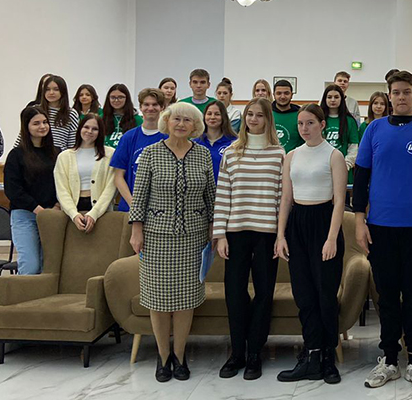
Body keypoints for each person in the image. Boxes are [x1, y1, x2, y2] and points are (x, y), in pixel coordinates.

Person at [352, 70, 412, 392]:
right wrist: (359, 220)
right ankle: (390, 359)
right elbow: (361, 178)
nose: (401, 97)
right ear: (389, 96)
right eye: (396, 92)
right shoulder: (374, 129)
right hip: (380, 226)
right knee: (388, 296)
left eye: (407, 91)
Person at [129, 102, 216, 383]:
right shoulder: (151, 153)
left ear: (195, 126)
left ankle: (179, 355)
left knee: (186, 299)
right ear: (166, 121)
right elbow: (139, 195)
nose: (181, 124)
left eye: (187, 120)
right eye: (176, 119)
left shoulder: (203, 154)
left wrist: (214, 230)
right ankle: (163, 355)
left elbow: (211, 196)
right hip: (157, 236)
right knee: (158, 299)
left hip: (193, 237)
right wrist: (136, 231)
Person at [213, 98, 285, 381]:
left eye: (259, 115)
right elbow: (223, 195)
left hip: (267, 234)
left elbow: (282, 198)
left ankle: (255, 352)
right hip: (236, 232)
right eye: (249, 115)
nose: (253, 119)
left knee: (264, 294)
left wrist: (281, 235)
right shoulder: (231, 153)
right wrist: (220, 234)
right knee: (235, 294)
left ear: (268, 120)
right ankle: (237, 353)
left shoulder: (279, 154)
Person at [276, 104, 347, 384]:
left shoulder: (334, 155)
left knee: (325, 294)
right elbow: (286, 199)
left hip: (324, 223)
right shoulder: (292, 155)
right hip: (298, 225)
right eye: (300, 124)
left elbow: (339, 201)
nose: (304, 128)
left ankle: (328, 357)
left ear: (322, 125)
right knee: (304, 295)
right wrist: (281, 235)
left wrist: (331, 238)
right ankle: (311, 355)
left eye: (310, 123)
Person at [3, 107, 59, 275]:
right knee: (30, 264)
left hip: (52, 214)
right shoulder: (16, 155)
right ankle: (24, 293)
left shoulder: (57, 153)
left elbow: (64, 184)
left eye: (45, 122)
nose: (42, 126)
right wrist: (37, 209)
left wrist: (57, 206)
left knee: (48, 265)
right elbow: (12, 190)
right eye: (36, 123)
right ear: (26, 126)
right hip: (25, 215)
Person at [54, 114, 117, 232]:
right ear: (80, 129)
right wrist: (73, 214)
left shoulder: (110, 154)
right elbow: (61, 189)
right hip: (73, 211)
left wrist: (94, 213)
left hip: (102, 211)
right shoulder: (64, 156)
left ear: (100, 132)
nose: (90, 131)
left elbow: (111, 187)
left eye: (95, 129)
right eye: (86, 127)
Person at [110, 89, 167, 214]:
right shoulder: (128, 137)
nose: (150, 108)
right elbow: (118, 176)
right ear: (140, 107)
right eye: (146, 104)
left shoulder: (169, 137)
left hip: (161, 211)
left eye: (155, 104)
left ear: (162, 107)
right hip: (130, 208)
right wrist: (134, 205)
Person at [321, 85, 360, 184]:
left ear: (342, 99)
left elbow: (353, 147)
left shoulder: (350, 121)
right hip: (321, 171)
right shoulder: (318, 120)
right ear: (325, 99)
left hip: (343, 171)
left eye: (336, 97)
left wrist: (344, 166)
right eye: (329, 97)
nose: (333, 100)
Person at [33, 75, 80, 151]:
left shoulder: (71, 113)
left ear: (62, 91)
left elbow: (72, 144)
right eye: (47, 89)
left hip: (60, 156)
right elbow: (22, 136)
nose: (51, 93)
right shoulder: (35, 110)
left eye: (56, 89)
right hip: (36, 155)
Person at [194, 101, 238, 182]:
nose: (212, 117)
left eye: (217, 114)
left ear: (223, 117)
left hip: (225, 187)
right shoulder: (195, 143)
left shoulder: (234, 143)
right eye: (209, 114)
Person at [102, 84, 143, 149]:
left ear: (127, 98)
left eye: (120, 97)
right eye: (113, 97)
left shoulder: (137, 119)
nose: (116, 100)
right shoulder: (101, 118)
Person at [272, 79, 303, 153]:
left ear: (291, 95)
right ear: (274, 95)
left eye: (286, 93)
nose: (282, 96)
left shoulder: (301, 115)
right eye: (279, 93)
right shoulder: (266, 113)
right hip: (270, 158)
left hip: (295, 158)